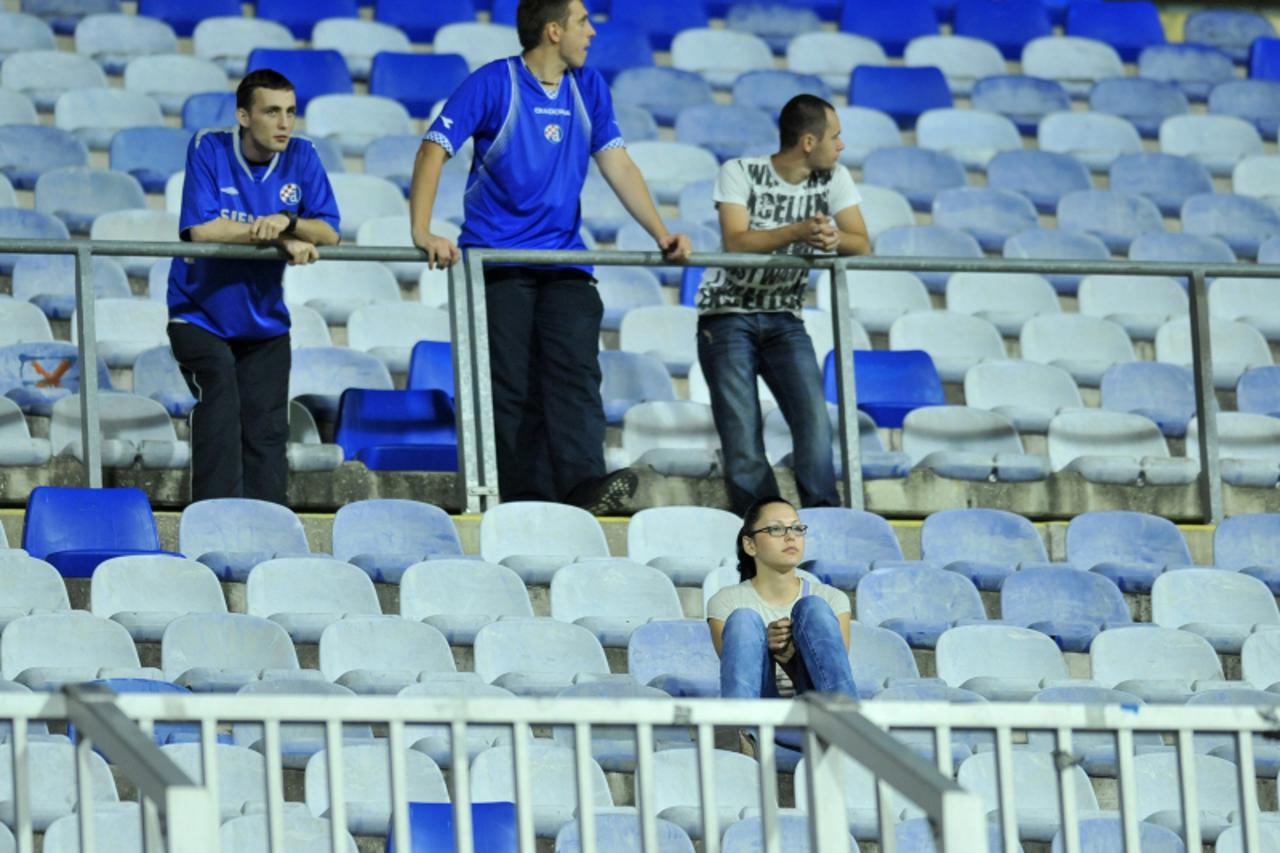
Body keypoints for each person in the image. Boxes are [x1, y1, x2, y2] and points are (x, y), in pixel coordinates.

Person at [408, 0, 692, 514]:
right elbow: (434, 147)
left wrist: (660, 232)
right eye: (584, 22)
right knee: (512, 390)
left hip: (563, 261)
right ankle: (521, 502)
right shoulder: (493, 82)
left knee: (577, 377)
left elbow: (618, 164)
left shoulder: (590, 87)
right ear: (554, 30)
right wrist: (422, 229)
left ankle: (585, 488)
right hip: (497, 263)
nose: (593, 31)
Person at [167, 69, 340, 503]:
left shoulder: (303, 155)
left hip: (264, 324)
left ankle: (267, 533)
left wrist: (292, 222)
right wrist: (282, 239)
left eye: (291, 112)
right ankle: (213, 520)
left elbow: (330, 232)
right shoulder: (208, 146)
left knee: (267, 433)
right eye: (272, 112)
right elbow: (202, 231)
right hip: (198, 314)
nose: (284, 123)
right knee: (221, 406)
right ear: (244, 116)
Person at [695, 94, 871, 516]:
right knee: (742, 433)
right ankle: (766, 524)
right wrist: (797, 230)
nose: (841, 146)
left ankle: (825, 518)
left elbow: (861, 242)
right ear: (809, 142)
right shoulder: (739, 171)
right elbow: (737, 241)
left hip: (785, 316)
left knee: (813, 421)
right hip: (725, 315)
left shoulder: (835, 178)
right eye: (836, 136)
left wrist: (833, 239)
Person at [707, 496, 856, 699]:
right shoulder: (726, 602)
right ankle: (740, 728)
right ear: (750, 545)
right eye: (776, 529)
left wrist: (791, 657)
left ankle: (846, 722)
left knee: (814, 609)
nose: (790, 537)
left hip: (817, 710)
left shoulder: (832, 599)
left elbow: (828, 678)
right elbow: (737, 675)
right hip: (760, 707)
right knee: (743, 620)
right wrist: (764, 647)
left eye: (796, 528)